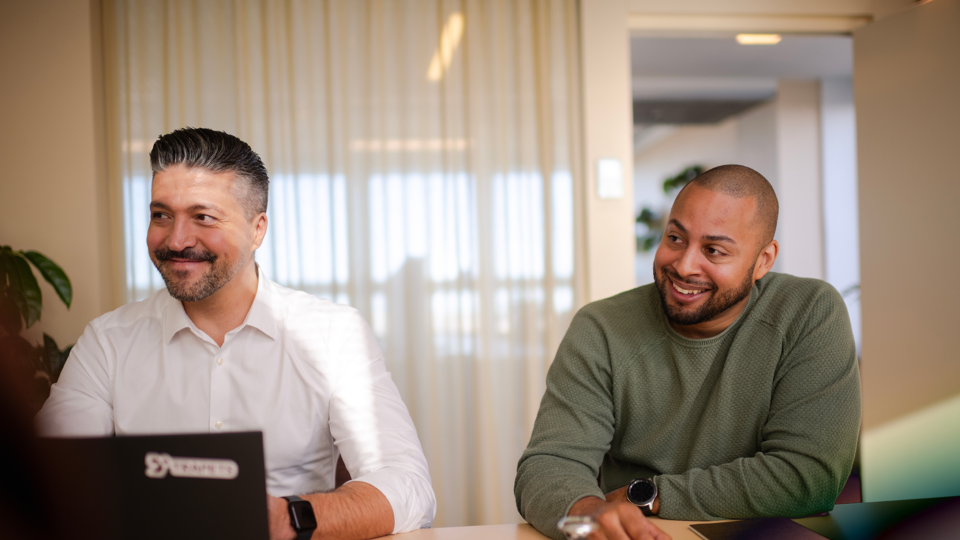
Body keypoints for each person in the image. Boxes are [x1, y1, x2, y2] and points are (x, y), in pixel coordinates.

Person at [36, 128, 436, 540]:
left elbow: (409, 487)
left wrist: (285, 519)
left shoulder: (335, 334)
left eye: (203, 217)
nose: (176, 239)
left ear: (257, 229)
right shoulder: (107, 342)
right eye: (161, 215)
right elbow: (44, 478)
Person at [514, 165, 861, 540]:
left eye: (713, 250)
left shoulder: (808, 313)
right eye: (676, 238)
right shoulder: (601, 327)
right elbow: (549, 463)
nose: (683, 265)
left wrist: (650, 494)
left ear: (763, 261)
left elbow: (806, 476)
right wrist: (588, 510)